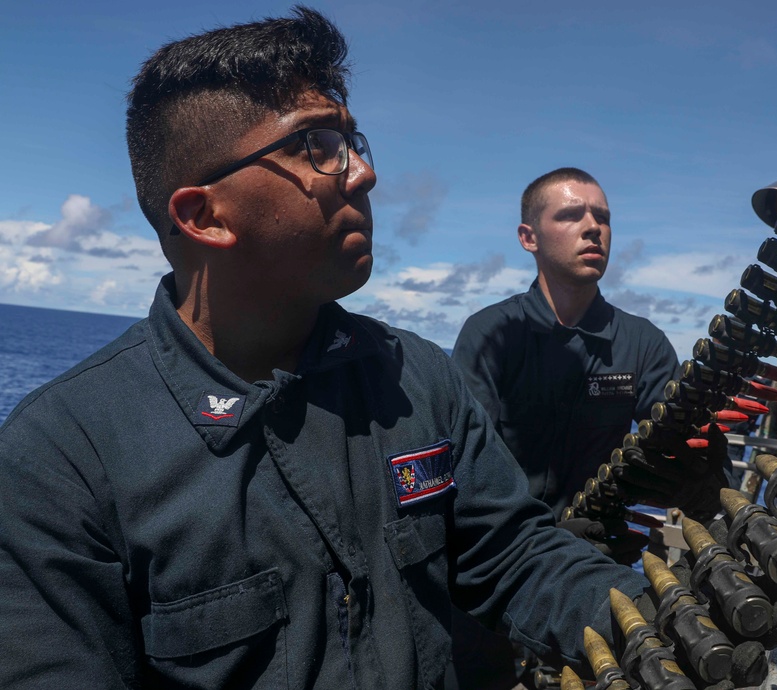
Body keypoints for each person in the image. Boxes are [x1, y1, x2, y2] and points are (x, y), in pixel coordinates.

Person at [0, 9, 653, 688]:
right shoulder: (60, 460)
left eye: (352, 140)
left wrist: (655, 620)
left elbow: (513, 554)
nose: (364, 173)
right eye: (317, 145)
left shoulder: (416, 378)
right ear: (203, 216)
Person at [452, 167, 685, 531]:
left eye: (603, 218)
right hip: (506, 554)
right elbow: (467, 467)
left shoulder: (643, 343)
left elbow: (680, 443)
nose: (594, 227)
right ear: (529, 238)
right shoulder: (490, 334)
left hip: (602, 554)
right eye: (571, 215)